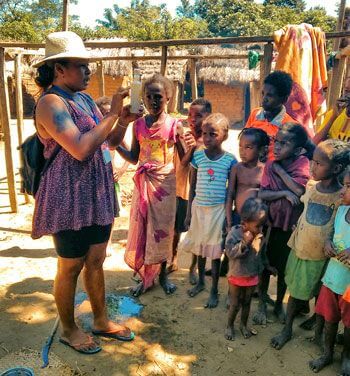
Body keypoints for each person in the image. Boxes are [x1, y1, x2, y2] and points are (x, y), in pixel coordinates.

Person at [31, 31, 141, 354]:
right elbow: (80, 148)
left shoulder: (84, 99)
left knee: (96, 259)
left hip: (95, 194)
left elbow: (108, 144)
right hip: (67, 197)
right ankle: (68, 328)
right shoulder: (51, 103)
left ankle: (101, 320)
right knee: (70, 266)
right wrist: (110, 115)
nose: (87, 71)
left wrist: (121, 122)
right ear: (58, 69)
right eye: (80, 66)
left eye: (87, 65)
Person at [270, 139, 349, 350]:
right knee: (295, 289)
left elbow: (338, 225)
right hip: (301, 247)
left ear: (337, 168)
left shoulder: (342, 196)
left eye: (319, 164)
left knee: (319, 293)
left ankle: (317, 325)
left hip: (323, 256)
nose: (312, 167)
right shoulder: (311, 186)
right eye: (312, 162)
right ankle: (287, 328)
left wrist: (329, 241)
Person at [118, 74, 183, 297]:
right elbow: (135, 157)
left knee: (163, 231)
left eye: (159, 97)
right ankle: (147, 277)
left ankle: (163, 275)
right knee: (144, 228)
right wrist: (116, 145)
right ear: (142, 99)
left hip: (165, 184)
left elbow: (183, 160)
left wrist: (191, 146)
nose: (154, 102)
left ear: (168, 98)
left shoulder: (175, 125)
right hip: (143, 182)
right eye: (149, 97)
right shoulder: (137, 125)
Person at [253, 123, 311, 325]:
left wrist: (281, 172)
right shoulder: (270, 164)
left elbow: (299, 191)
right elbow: (262, 193)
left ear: (297, 150)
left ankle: (279, 305)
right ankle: (261, 304)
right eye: (276, 141)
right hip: (270, 224)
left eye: (283, 144)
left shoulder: (302, 163)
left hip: (290, 228)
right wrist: (283, 193)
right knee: (264, 265)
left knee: (284, 269)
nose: (276, 147)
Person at [181, 113, 237, 308]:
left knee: (214, 252)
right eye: (204, 134)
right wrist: (188, 213)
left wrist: (227, 219)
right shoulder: (197, 156)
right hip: (198, 209)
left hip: (217, 212)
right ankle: (202, 283)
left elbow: (231, 192)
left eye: (212, 134)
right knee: (201, 248)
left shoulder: (230, 161)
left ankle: (214, 290)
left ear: (225, 135)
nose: (207, 138)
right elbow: (193, 186)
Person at [309, 164, 350, 375]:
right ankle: (327, 353)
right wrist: (327, 243)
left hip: (348, 287)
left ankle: (346, 357)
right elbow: (332, 233)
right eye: (344, 185)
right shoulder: (342, 209)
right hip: (332, 278)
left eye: (349, 186)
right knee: (330, 319)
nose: (343, 191)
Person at [167, 98, 212, 286]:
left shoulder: (209, 140)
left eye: (199, 115)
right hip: (180, 187)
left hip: (198, 191)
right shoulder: (184, 135)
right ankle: (173, 258)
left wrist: (198, 144)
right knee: (176, 228)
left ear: (209, 116)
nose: (193, 119)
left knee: (196, 231)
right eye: (190, 115)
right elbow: (182, 160)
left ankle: (193, 267)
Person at [225, 198, 276, 341]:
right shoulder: (234, 234)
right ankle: (229, 326)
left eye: (262, 225)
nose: (260, 229)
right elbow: (230, 253)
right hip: (237, 275)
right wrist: (244, 243)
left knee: (247, 303)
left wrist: (267, 266)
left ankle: (243, 325)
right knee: (235, 304)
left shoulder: (260, 235)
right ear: (244, 223)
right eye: (258, 226)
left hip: (252, 275)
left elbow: (262, 254)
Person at [245, 70, 295, 160]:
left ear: (284, 99)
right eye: (263, 93)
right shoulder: (255, 114)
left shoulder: (290, 125)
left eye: (270, 95)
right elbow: (245, 141)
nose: (264, 99)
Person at [226, 127, 270, 229]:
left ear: (261, 150)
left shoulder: (265, 170)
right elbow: (230, 195)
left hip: (257, 221)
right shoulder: (237, 168)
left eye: (248, 147)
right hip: (237, 217)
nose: (242, 152)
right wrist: (229, 220)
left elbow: (266, 197)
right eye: (240, 147)